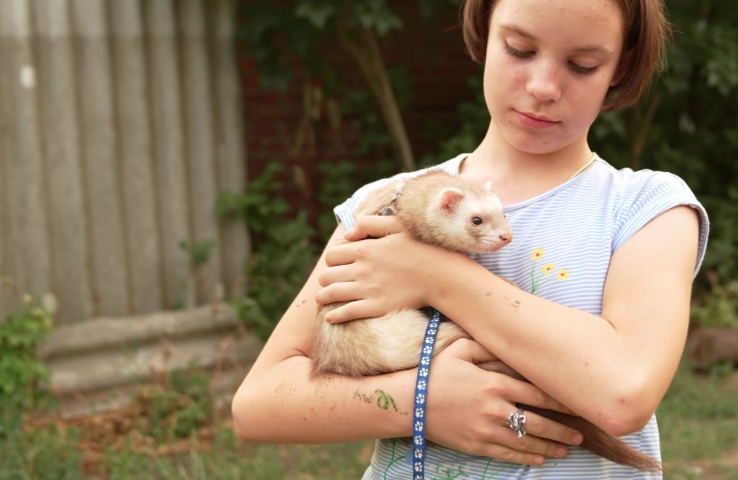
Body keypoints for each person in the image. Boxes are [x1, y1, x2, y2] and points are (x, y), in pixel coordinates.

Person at [232, 0, 710, 478]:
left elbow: (624, 394)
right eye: (519, 49)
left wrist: (434, 276)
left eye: (582, 64)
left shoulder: (647, 208)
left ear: (621, 65)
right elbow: (258, 404)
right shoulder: (383, 204)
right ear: (484, 30)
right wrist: (418, 403)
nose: (543, 87)